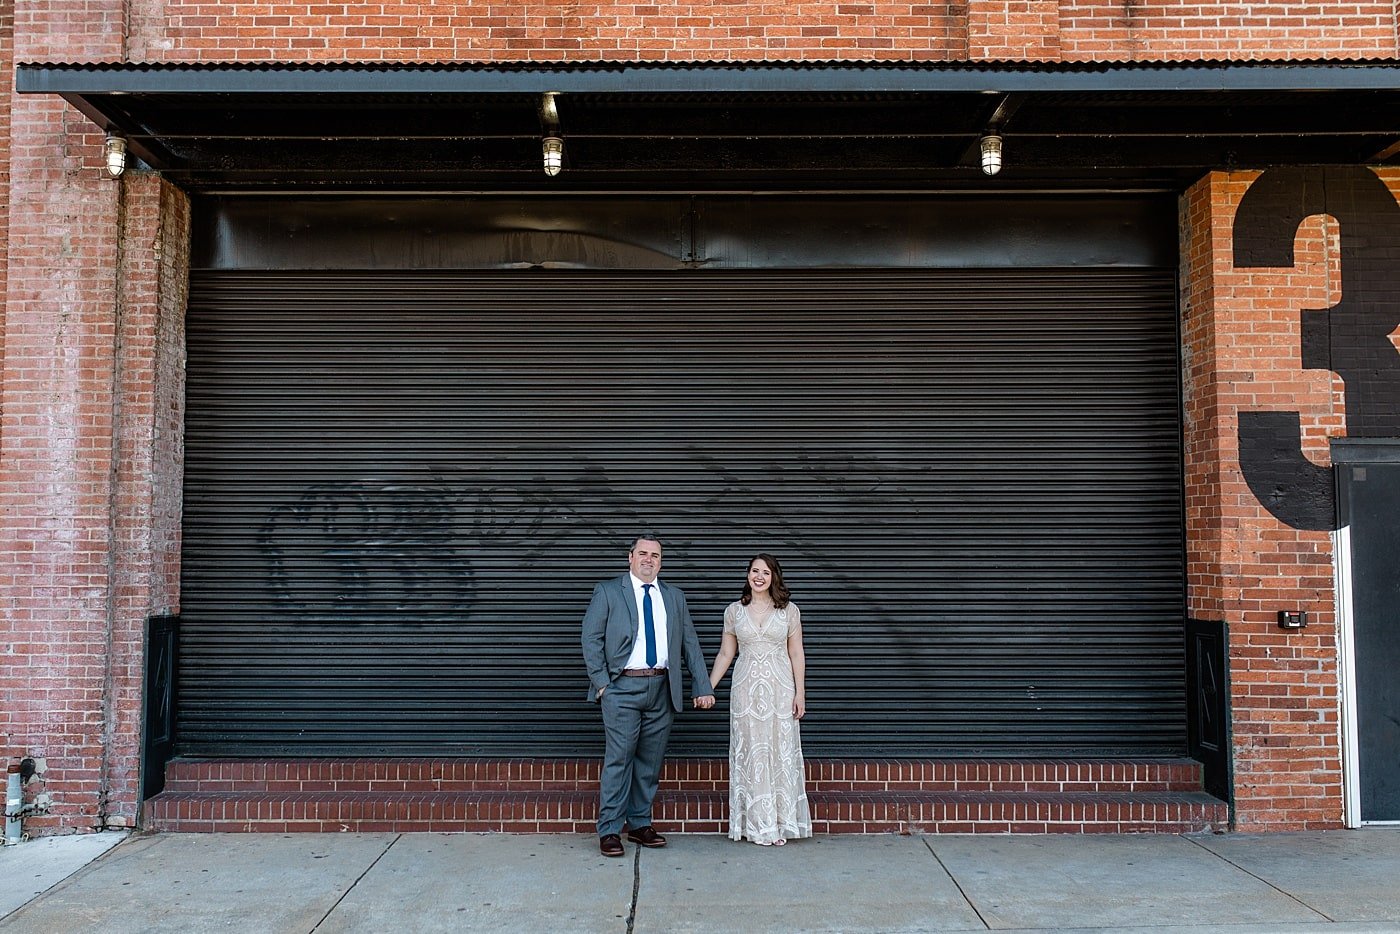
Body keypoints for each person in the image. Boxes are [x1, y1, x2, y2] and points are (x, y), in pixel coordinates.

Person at [581, 533, 715, 857]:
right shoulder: (609, 591)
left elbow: (690, 644)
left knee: (649, 764)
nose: (648, 560)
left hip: (662, 689)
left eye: (655, 555)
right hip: (622, 689)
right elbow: (591, 638)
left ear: (661, 561)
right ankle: (610, 830)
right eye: (643, 553)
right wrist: (603, 686)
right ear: (630, 557)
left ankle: (640, 824)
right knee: (620, 759)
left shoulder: (673, 596)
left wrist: (702, 686)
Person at [708, 552, 812, 846]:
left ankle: (780, 822)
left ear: (774, 577)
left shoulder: (789, 611)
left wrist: (800, 692)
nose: (759, 577)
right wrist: (708, 687)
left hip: (780, 689)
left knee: (780, 751)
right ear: (748, 575)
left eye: (765, 573)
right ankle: (757, 824)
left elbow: (796, 653)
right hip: (746, 690)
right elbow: (726, 653)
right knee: (751, 752)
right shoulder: (734, 612)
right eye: (754, 571)